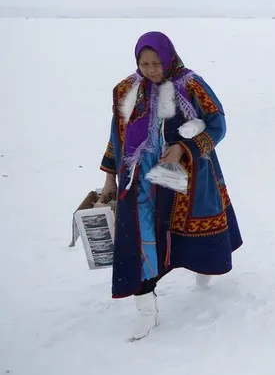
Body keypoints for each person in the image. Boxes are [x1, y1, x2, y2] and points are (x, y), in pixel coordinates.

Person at [98, 31, 242, 341]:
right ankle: (147, 312)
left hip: (186, 178)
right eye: (143, 63)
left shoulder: (191, 86)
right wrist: (110, 177)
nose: (150, 69)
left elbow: (218, 125)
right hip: (137, 179)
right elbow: (116, 136)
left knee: (194, 236)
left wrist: (183, 149)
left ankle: (204, 268)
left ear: (169, 58)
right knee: (139, 239)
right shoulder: (126, 90)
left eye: (156, 63)